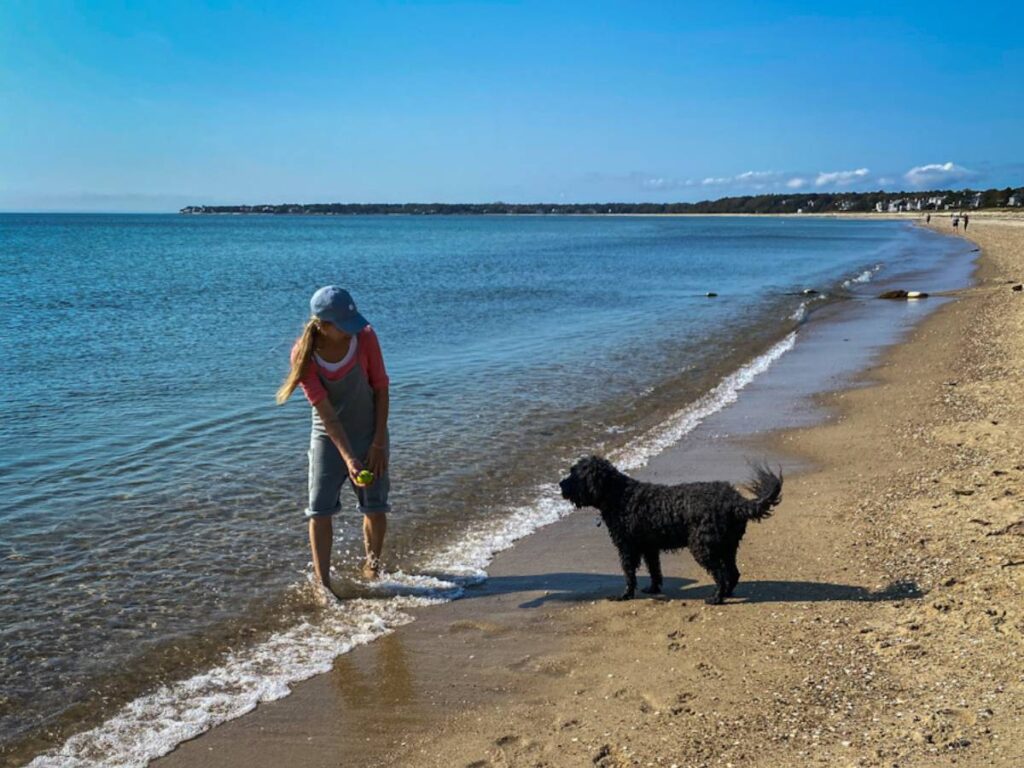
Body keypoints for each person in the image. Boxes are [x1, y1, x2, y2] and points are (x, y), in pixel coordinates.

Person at [276, 286, 391, 599]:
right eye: (344, 325)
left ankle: (373, 568)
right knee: (319, 510)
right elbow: (326, 414)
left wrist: (378, 441)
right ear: (324, 326)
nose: (352, 330)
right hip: (328, 436)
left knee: (375, 506)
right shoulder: (304, 355)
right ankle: (323, 584)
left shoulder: (365, 337)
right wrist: (348, 458)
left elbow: (381, 388)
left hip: (370, 431)